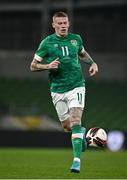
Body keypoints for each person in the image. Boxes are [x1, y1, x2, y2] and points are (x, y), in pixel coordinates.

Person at [30, 11, 98, 173]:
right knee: (68, 127)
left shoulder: (76, 39)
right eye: (59, 23)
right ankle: (80, 133)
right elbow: (32, 66)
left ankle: (76, 161)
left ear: (68, 24)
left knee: (75, 120)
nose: (63, 26)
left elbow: (82, 53)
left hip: (76, 86)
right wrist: (47, 66)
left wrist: (93, 63)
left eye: (65, 23)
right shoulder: (47, 43)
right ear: (53, 25)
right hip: (57, 89)